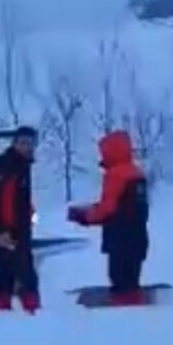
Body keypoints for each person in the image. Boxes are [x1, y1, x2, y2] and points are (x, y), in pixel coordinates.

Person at [68, 129, 150, 305]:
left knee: (119, 278)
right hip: (138, 235)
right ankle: (137, 310)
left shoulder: (115, 175)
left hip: (120, 238)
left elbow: (108, 208)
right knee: (132, 278)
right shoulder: (137, 173)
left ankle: (124, 317)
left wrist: (84, 217)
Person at [0, 126, 40, 313]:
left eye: (31, 143)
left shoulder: (21, 165)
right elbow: (2, 200)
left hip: (15, 229)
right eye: (23, 143)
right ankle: (34, 315)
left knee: (7, 276)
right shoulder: (10, 166)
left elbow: (17, 199)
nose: (28, 147)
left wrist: (28, 210)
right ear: (15, 143)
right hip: (9, 233)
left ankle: (4, 317)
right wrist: (2, 231)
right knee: (24, 277)